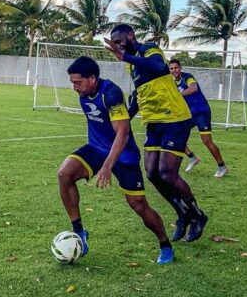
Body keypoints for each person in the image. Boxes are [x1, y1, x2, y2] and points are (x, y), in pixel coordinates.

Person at [57, 56, 174, 264]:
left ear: (92, 78)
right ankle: (80, 232)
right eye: (72, 83)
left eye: (78, 82)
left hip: (123, 156)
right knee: (64, 174)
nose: (74, 87)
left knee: (139, 205)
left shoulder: (111, 93)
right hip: (95, 148)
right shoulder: (85, 92)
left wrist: (107, 166)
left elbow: (123, 133)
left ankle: (165, 244)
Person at [104, 24, 208, 243]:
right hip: (153, 122)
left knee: (167, 173)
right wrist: (122, 121)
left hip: (175, 119)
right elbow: (141, 95)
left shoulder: (148, 50)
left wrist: (124, 57)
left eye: (119, 40)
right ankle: (182, 213)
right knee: (152, 173)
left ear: (131, 36)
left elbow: (159, 67)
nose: (118, 46)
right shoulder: (131, 65)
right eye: (114, 43)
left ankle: (197, 215)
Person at [169, 59, 228, 178]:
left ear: (180, 68)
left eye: (176, 68)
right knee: (175, 135)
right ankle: (192, 158)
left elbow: (193, 88)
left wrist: (177, 95)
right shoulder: (173, 83)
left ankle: (222, 167)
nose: (174, 70)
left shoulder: (188, 77)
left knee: (206, 140)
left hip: (201, 112)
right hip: (189, 114)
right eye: (171, 68)